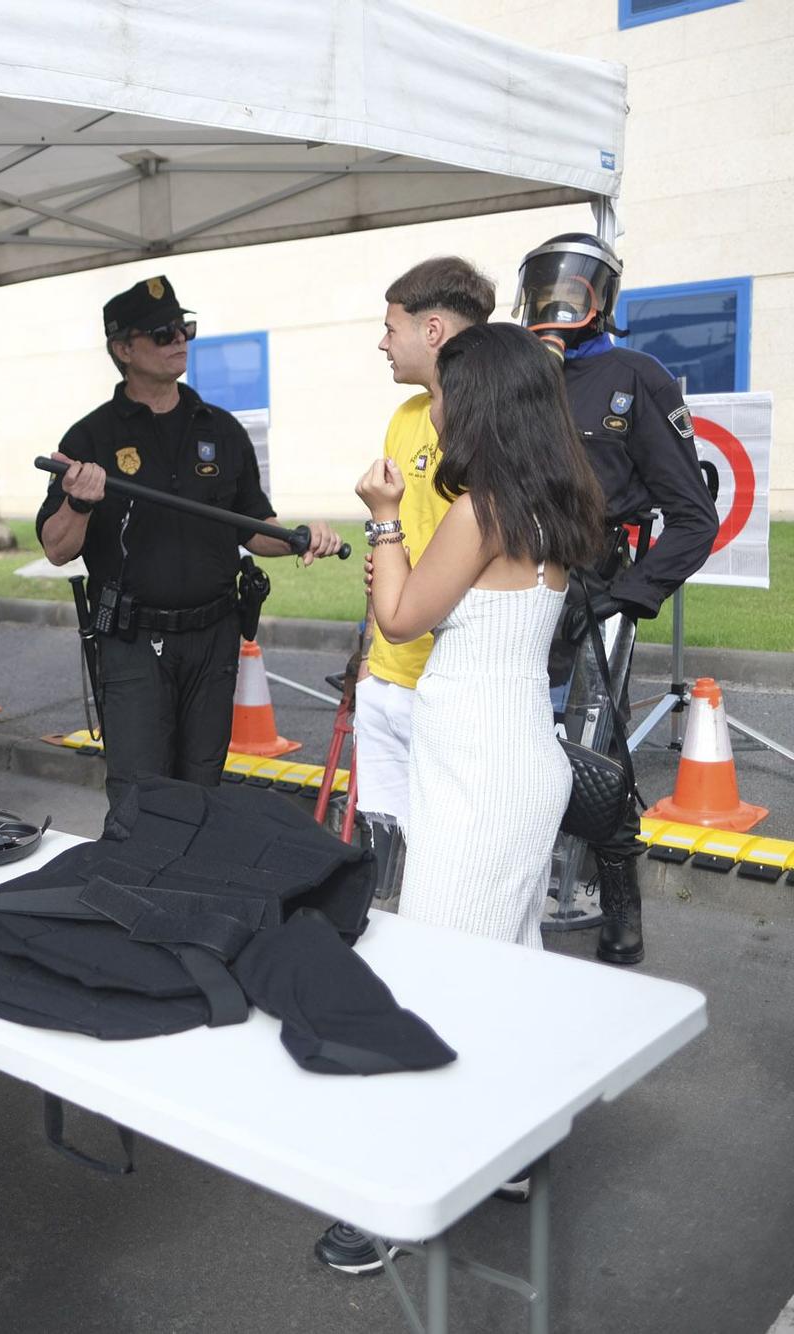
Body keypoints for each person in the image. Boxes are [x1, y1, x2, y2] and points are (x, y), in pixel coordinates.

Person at [317, 321, 608, 1278]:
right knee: (508, 963)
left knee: (436, 976)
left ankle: (402, 1196)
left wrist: (387, 521)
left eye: (444, 390)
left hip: (485, 774)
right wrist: (399, 554)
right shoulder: (548, 499)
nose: (430, 406)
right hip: (509, 758)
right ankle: (515, 1152)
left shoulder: (484, 509)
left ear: (476, 400)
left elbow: (398, 616)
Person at [39, 276, 345, 803]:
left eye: (185, 327)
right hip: (134, 643)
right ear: (123, 348)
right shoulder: (91, 438)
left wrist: (299, 539)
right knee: (140, 793)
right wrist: (80, 501)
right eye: (162, 332)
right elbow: (57, 547)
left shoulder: (222, 430)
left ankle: (192, 884)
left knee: (204, 786)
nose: (179, 338)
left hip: (213, 639)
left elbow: (254, 527)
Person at [515, 232, 717, 965]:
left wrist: (627, 597)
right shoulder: (520, 381)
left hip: (595, 592)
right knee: (515, 745)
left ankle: (618, 895)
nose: (557, 296)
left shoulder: (637, 377)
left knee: (592, 758)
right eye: (546, 282)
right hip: (512, 586)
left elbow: (694, 517)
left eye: (573, 283)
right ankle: (516, 889)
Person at [356, 258, 496, 884]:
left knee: (445, 868)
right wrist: (368, 655)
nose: (382, 341)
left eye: (391, 327)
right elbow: (386, 544)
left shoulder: (492, 427)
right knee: (382, 861)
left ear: (433, 329)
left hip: (447, 686)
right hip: (386, 675)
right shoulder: (407, 416)